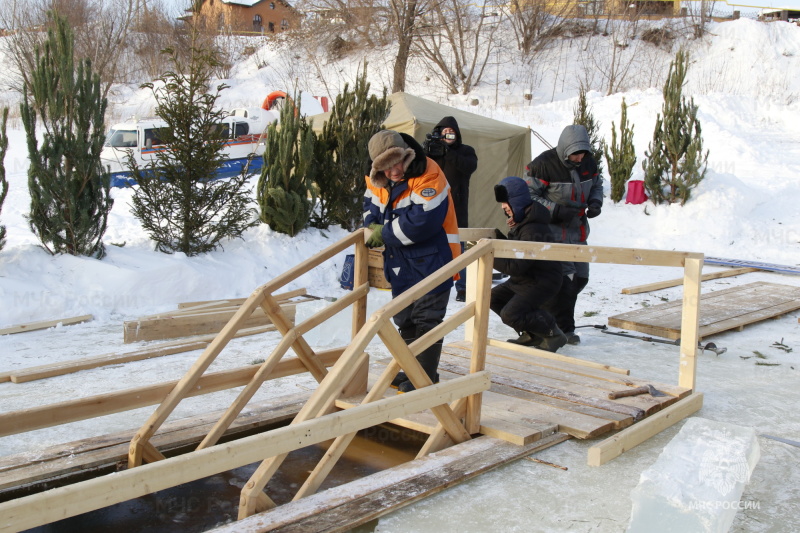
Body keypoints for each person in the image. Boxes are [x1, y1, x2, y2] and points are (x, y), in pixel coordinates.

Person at [363, 130, 461, 393]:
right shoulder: (375, 178)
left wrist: (382, 232)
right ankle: (412, 369)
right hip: (400, 261)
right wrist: (370, 222)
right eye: (385, 167)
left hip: (435, 260)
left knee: (426, 318)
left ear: (407, 154)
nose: (394, 171)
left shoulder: (429, 172)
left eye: (397, 162)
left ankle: (425, 377)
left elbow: (422, 222)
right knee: (405, 319)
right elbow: (370, 204)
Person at [524, 124, 603, 345]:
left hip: (578, 231)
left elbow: (597, 184)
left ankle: (551, 320)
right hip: (553, 233)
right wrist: (555, 210)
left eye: (582, 153)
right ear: (565, 149)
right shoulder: (542, 165)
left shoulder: (588, 162)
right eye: (575, 154)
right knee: (564, 282)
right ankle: (564, 329)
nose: (579, 158)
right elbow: (528, 195)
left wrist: (596, 202)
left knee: (581, 278)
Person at [491, 177, 567, 352]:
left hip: (541, 281)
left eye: (506, 203)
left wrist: (489, 252)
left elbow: (515, 266)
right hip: (525, 279)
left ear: (516, 202)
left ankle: (552, 333)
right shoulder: (524, 221)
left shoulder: (533, 229)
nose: (503, 207)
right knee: (493, 298)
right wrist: (497, 238)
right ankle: (532, 333)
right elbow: (516, 252)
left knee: (510, 314)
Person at [424, 116, 478, 302]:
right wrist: (427, 150)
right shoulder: (433, 153)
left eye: (451, 132)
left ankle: (463, 287)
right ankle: (435, 282)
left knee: (460, 248)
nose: (448, 135)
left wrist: (447, 151)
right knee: (433, 246)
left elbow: (468, 167)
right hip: (434, 207)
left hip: (457, 208)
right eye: (444, 132)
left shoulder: (466, 151)